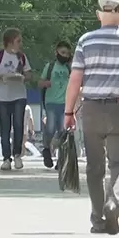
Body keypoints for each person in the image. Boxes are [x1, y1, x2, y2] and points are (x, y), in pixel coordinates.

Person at [64, 0, 119, 236]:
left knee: (94, 167)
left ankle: (98, 219)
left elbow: (75, 80)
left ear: (99, 14)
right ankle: (114, 202)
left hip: (91, 109)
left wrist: (68, 111)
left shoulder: (86, 41)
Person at [0, 28, 32, 171]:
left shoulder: (21, 57)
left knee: (18, 125)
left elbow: (29, 74)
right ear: (10, 42)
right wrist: (2, 76)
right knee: (5, 127)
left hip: (19, 95)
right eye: (18, 41)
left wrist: (23, 77)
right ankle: (6, 158)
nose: (20, 43)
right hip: (2, 96)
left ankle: (17, 154)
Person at [38, 40, 72, 168]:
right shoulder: (50, 66)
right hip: (51, 102)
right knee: (50, 128)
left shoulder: (69, 69)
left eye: (67, 53)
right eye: (62, 52)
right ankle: (46, 149)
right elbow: (40, 82)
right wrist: (45, 84)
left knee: (63, 131)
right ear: (56, 52)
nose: (65, 55)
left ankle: (61, 158)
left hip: (64, 103)